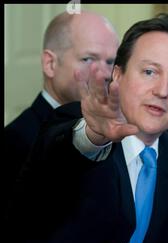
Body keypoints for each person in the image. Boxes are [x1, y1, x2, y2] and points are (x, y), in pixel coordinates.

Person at [5, 13, 168, 243]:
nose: (163, 90)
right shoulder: (72, 120)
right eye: (150, 72)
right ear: (118, 76)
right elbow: (62, 152)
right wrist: (93, 137)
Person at [4, 11, 119, 187]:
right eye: (88, 59)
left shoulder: (116, 136)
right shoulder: (14, 141)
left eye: (110, 62)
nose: (104, 74)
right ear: (50, 64)